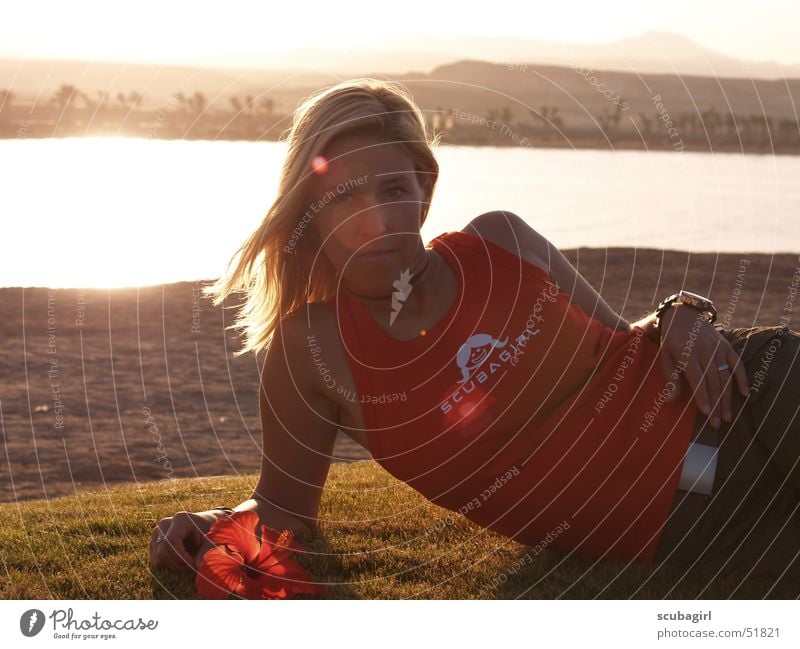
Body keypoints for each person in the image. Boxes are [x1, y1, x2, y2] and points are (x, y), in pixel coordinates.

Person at [149, 78, 800, 588]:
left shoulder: (502, 239)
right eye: (345, 196)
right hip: (686, 516)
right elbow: (283, 509)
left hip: (746, 393)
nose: (376, 219)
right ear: (309, 213)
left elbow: (625, 336)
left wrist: (678, 314)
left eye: (393, 188)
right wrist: (208, 524)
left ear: (424, 191)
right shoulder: (313, 352)